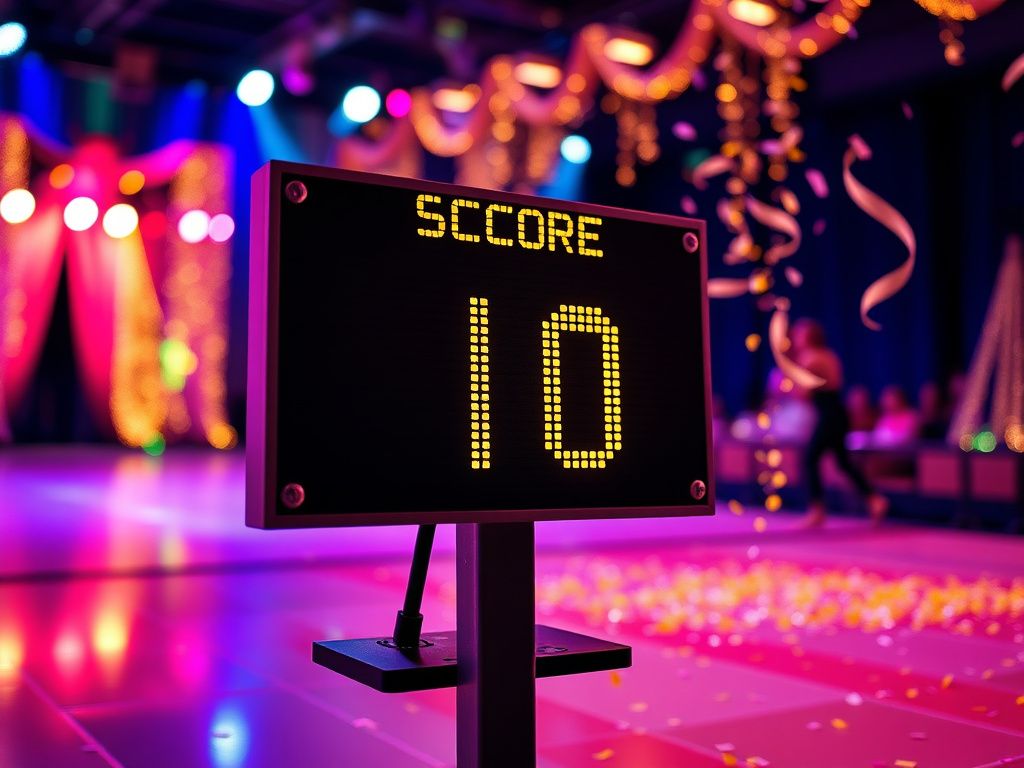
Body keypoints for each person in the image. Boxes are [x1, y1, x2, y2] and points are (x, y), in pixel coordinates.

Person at [790, 318, 889, 527]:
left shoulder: (810, 358)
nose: (795, 338)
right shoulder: (829, 355)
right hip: (838, 413)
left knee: (810, 458)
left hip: (829, 415)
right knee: (842, 461)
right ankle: (874, 499)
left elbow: (803, 394)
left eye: (799, 334)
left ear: (808, 337)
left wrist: (785, 384)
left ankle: (817, 510)